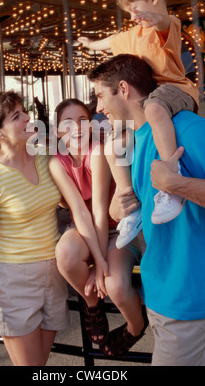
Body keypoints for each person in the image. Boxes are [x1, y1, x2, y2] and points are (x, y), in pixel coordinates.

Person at [87, 53, 205, 366]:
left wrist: (176, 184)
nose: (97, 108)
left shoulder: (190, 129)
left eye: (100, 95)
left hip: (192, 298)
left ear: (123, 89)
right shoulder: (135, 142)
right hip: (164, 293)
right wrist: (118, 207)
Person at [78, 0, 199, 247]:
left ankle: (172, 179)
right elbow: (111, 40)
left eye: (135, 8)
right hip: (148, 98)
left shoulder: (165, 24)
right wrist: (90, 43)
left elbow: (161, 21)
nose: (133, 16)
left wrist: (153, 16)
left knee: (155, 108)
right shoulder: (131, 34)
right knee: (111, 141)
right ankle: (128, 201)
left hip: (175, 90)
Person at [0, 91, 69, 366]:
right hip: (15, 278)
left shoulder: (44, 157)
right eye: (16, 116)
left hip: (55, 271)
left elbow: (68, 200)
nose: (27, 117)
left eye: (24, 111)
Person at [49, 98, 148, 356]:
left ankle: (136, 326)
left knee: (115, 285)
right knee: (66, 254)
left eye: (83, 121)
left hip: (117, 227)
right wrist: (97, 262)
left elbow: (100, 211)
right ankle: (91, 303)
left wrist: (101, 263)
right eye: (68, 123)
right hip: (85, 227)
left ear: (91, 125)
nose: (77, 128)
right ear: (58, 131)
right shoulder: (56, 162)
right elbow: (80, 212)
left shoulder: (99, 151)